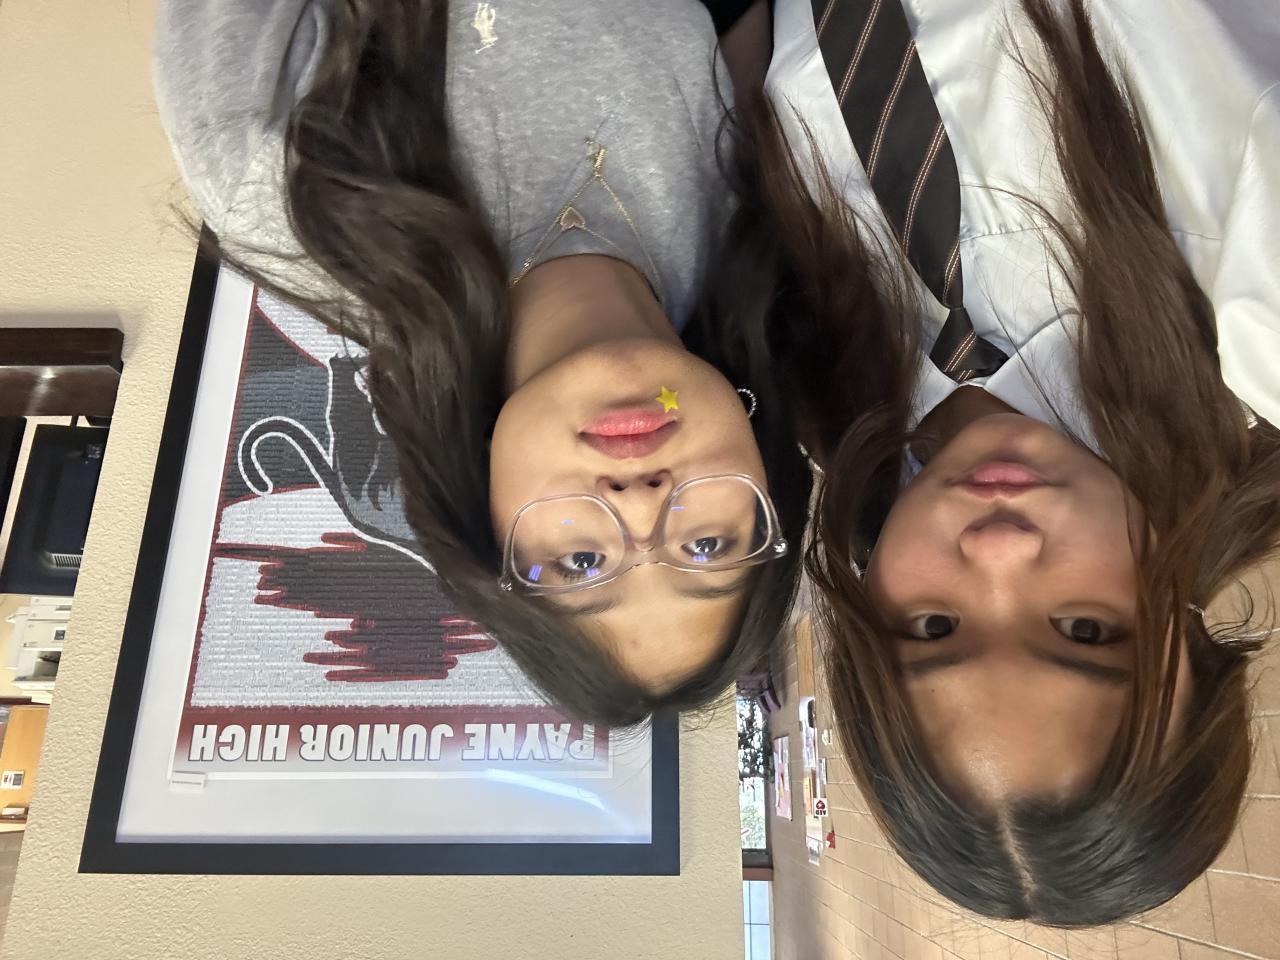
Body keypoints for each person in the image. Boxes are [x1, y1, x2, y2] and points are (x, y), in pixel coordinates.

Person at [725, 0, 1280, 927]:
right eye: (1087, 629)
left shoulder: (802, 388)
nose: (998, 551)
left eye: (934, 626)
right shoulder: (1248, 330)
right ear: (1186, 632)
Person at [152, 0, 813, 725]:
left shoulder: (286, 191)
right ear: (765, 480)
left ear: (486, 527)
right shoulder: (762, 213)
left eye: (582, 563)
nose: (640, 503)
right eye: (708, 544)